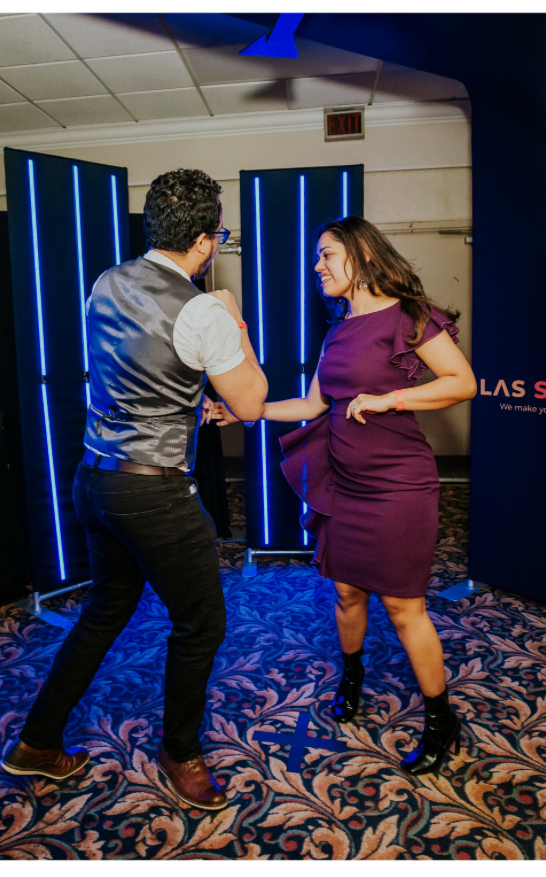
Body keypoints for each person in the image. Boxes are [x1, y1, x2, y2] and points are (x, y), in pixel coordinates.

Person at [3, 168, 268, 811]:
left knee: (105, 608)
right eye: (219, 238)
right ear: (206, 241)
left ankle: (36, 741)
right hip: (153, 495)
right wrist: (233, 317)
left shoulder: (106, 281)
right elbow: (253, 403)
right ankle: (182, 752)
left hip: (93, 480)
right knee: (201, 624)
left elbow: (135, 370)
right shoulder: (204, 307)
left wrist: (187, 405)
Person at [214, 216, 477, 775]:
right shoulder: (336, 331)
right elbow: (312, 406)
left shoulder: (408, 317)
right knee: (346, 595)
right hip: (347, 487)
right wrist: (245, 410)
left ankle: (440, 718)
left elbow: (462, 383)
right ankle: (352, 676)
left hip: (400, 485)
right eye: (317, 258)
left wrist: (388, 400)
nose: (318, 266)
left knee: (405, 608)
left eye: (327, 255)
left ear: (360, 255)